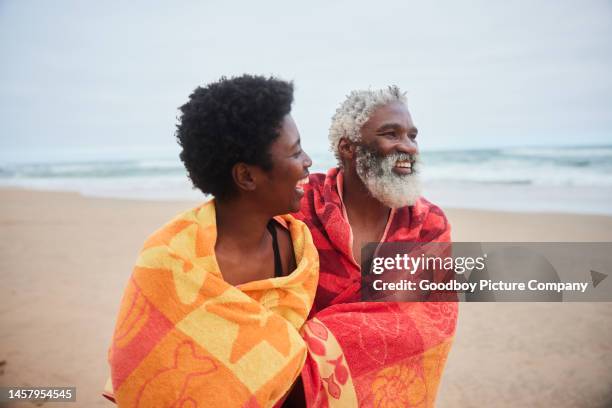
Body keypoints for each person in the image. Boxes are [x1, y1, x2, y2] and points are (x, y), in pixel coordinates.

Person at [105, 75, 318, 407]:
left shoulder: (299, 248)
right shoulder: (168, 259)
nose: (308, 162)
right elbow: (142, 371)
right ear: (247, 176)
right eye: (295, 152)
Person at [294, 86, 458, 406]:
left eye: (412, 135)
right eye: (391, 134)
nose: (408, 147)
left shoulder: (429, 224)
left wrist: (320, 335)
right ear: (348, 148)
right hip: (295, 392)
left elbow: (432, 325)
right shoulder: (300, 207)